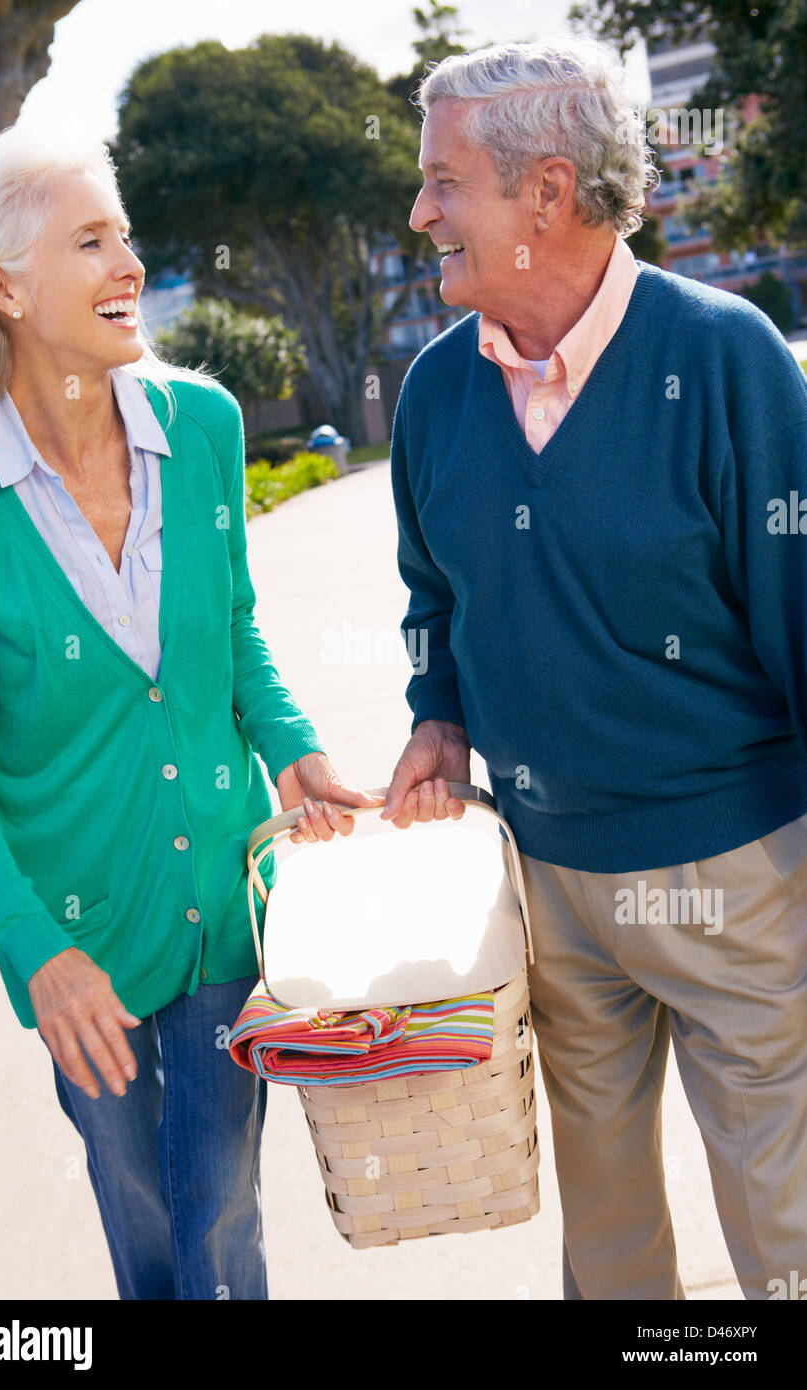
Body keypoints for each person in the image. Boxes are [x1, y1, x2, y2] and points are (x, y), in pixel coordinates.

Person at [379, 36, 807, 1300]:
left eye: (443, 182)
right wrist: (437, 716)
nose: (420, 213)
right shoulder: (434, 394)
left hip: (734, 874)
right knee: (606, 1248)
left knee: (784, 1230)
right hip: (548, 879)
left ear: (545, 194)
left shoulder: (727, 358)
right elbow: (432, 594)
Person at [0, 124, 383, 1301]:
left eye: (125, 233)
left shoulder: (203, 430)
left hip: (219, 912)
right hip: (77, 938)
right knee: (141, 1225)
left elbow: (231, 634)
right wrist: (38, 953)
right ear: (5, 284)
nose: (127, 262)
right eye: (90, 240)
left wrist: (297, 752)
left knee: (222, 1220)